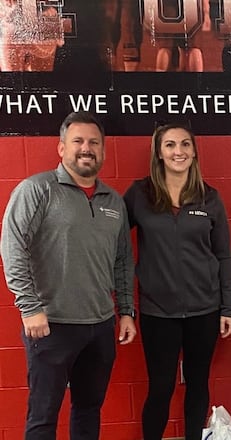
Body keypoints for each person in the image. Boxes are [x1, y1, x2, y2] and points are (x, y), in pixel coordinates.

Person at [0, 111, 137, 440]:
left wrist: (127, 312)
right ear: (62, 148)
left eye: (94, 142)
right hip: (51, 327)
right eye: (78, 141)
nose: (86, 148)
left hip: (100, 327)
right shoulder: (36, 190)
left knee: (88, 410)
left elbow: (122, 261)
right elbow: (12, 248)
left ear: (103, 151)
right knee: (43, 416)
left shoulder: (114, 202)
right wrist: (30, 307)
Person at [124, 121, 231, 440]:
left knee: (198, 383)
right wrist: (124, 305)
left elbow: (224, 255)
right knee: (160, 387)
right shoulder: (139, 194)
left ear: (194, 152)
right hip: (157, 312)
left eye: (185, 144)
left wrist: (228, 307)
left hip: (205, 309)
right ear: (158, 152)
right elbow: (115, 244)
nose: (178, 151)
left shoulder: (209, 198)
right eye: (170, 145)